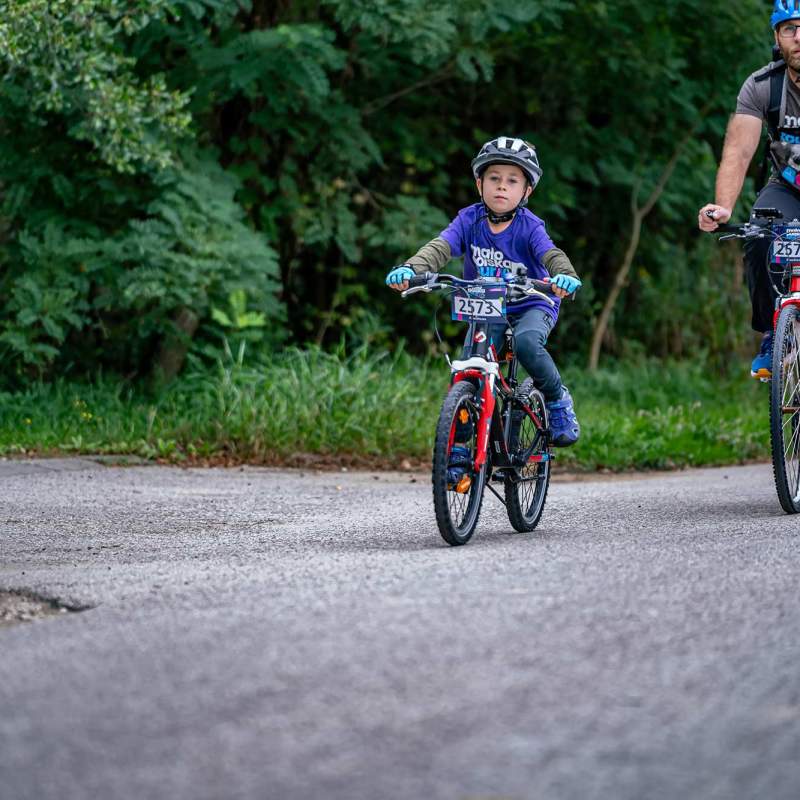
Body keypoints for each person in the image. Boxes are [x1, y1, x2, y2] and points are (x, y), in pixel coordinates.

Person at [385, 136, 581, 482]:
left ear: (526, 192)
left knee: (526, 343)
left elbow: (552, 254)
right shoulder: (469, 220)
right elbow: (440, 247)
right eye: (494, 178)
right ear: (479, 183)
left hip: (532, 301)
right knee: (466, 368)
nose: (501, 187)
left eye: (512, 181)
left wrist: (564, 276)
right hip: (486, 305)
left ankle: (556, 398)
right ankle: (459, 452)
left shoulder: (529, 226)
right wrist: (412, 268)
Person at [699, 0, 800, 378]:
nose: (799, 37)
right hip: (788, 187)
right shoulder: (762, 86)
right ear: (777, 37)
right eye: (790, 28)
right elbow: (739, 153)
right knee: (758, 234)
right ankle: (774, 331)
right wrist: (723, 206)